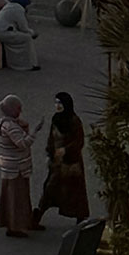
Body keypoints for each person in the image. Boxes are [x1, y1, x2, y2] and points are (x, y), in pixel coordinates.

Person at [34, 92, 90, 226]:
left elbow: (79, 141)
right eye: (56, 102)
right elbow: (51, 138)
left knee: (75, 192)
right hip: (57, 163)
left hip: (71, 164)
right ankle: (37, 216)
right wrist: (50, 153)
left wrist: (66, 150)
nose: (57, 105)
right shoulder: (56, 119)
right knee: (49, 189)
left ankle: (80, 220)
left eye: (60, 103)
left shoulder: (74, 121)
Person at [0, 95, 38, 237]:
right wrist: (34, 132)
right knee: (17, 197)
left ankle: (14, 222)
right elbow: (22, 143)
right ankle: (15, 226)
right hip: (16, 167)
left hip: (10, 166)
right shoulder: (11, 127)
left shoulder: (6, 123)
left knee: (12, 196)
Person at [0, 0, 40, 71]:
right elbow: (23, 28)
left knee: (21, 37)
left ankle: (15, 63)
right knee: (27, 38)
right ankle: (27, 65)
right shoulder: (18, 9)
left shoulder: (9, 7)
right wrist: (33, 33)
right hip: (2, 32)